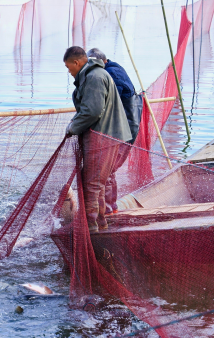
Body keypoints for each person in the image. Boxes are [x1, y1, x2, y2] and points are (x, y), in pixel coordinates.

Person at [63, 46, 132, 233]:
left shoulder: (94, 77)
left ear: (77, 62)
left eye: (69, 68)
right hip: (107, 135)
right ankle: (100, 223)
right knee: (99, 183)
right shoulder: (94, 75)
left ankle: (90, 229)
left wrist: (72, 128)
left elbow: (92, 111)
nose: (69, 72)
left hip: (101, 136)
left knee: (92, 184)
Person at [86, 48, 143, 214]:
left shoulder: (112, 74)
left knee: (107, 169)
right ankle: (108, 208)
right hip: (122, 129)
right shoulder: (111, 70)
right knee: (107, 169)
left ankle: (109, 209)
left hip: (124, 131)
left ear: (101, 62)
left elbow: (109, 101)